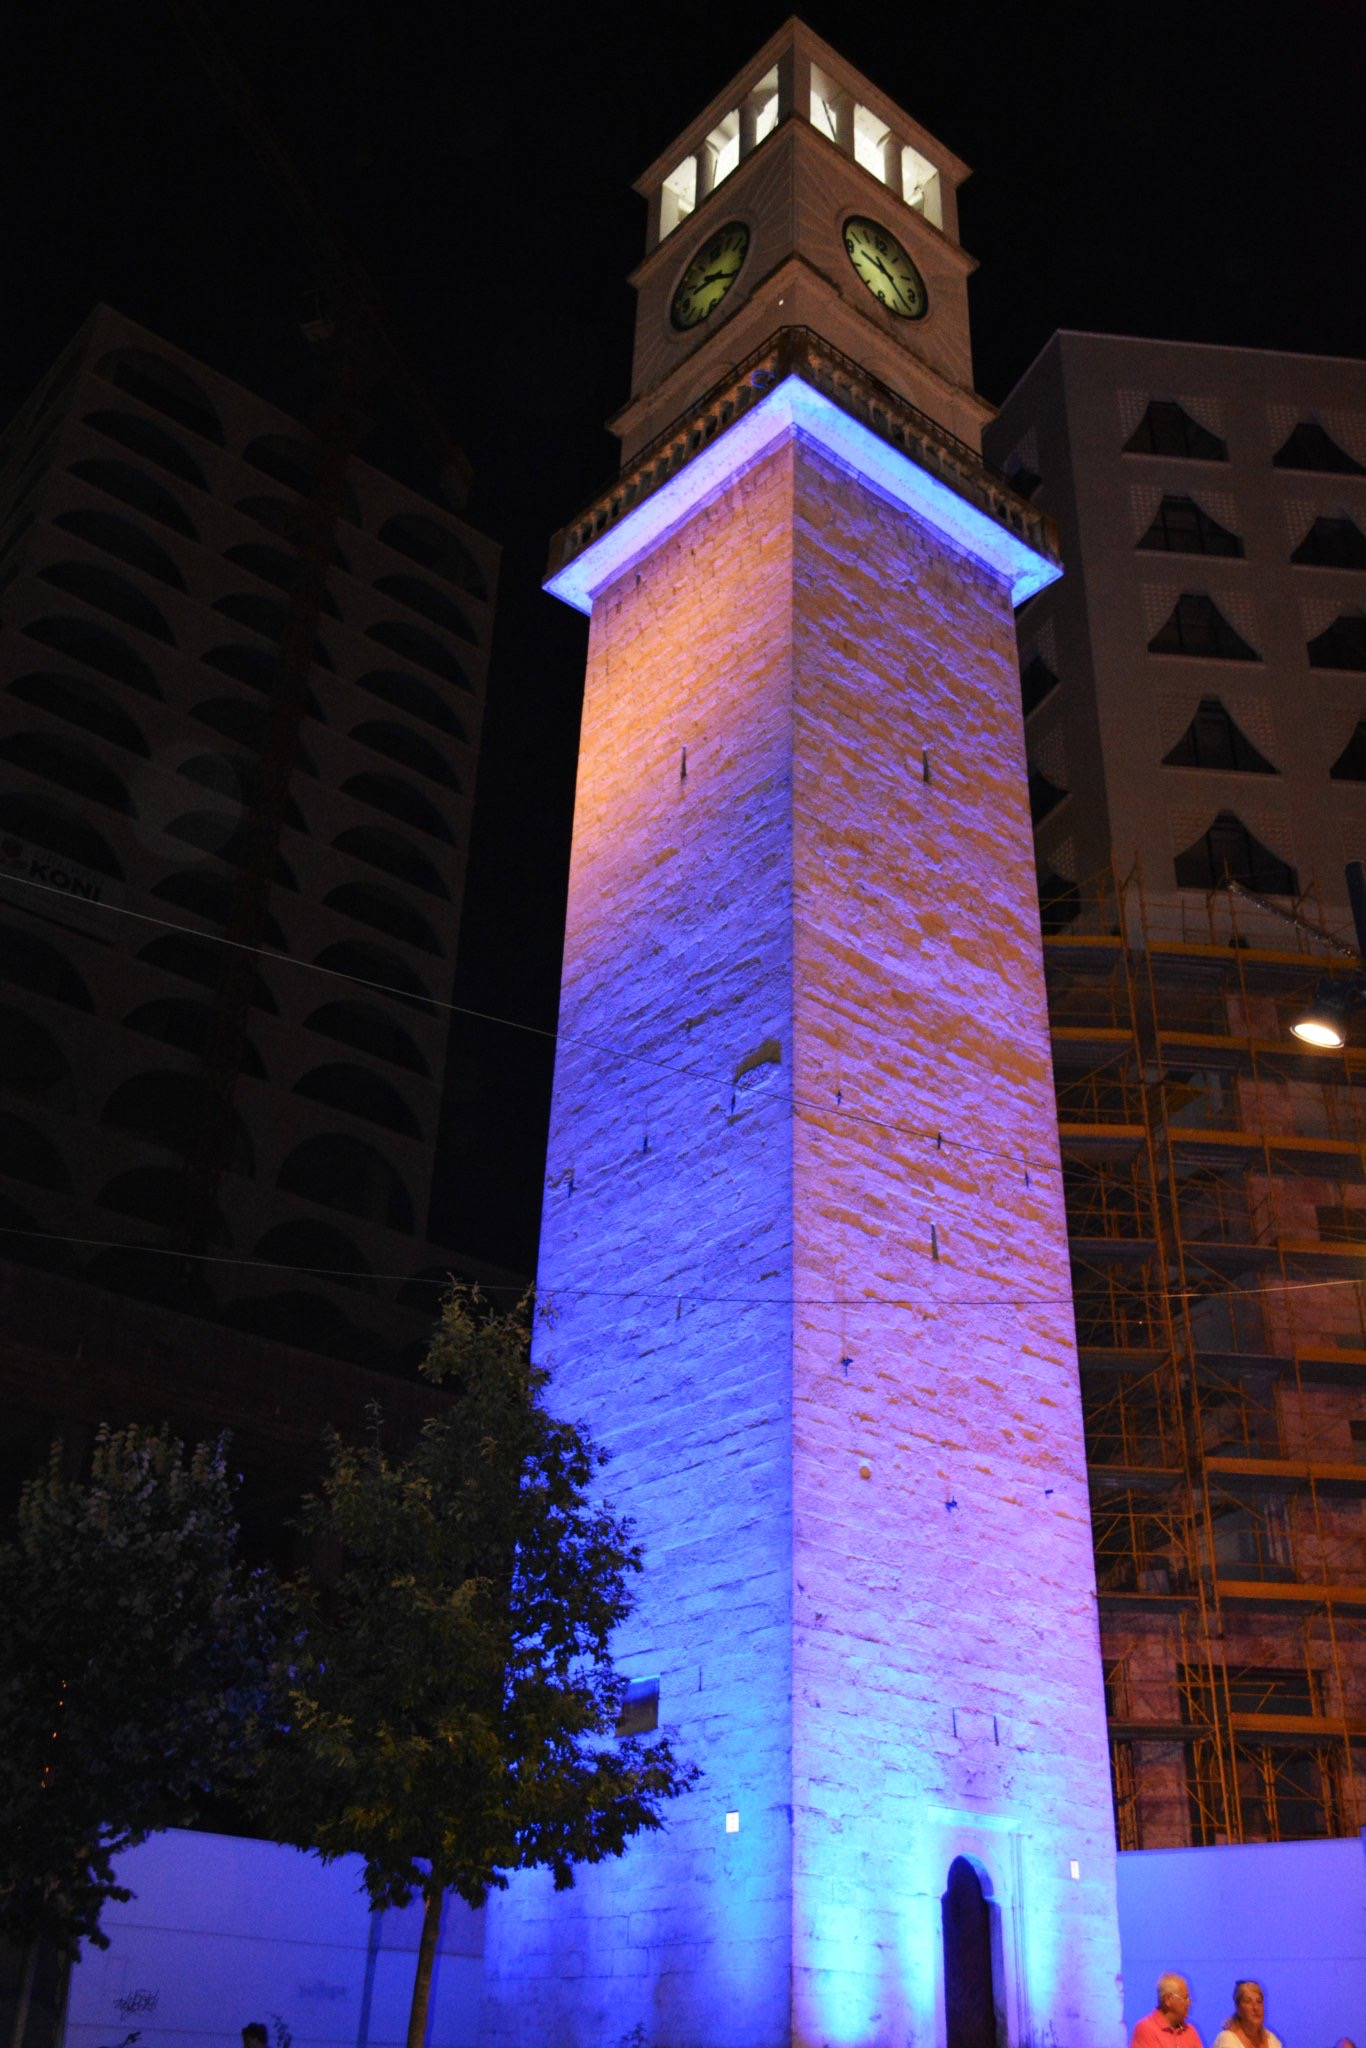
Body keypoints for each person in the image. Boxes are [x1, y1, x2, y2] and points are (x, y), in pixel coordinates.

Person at [1131, 1973, 1204, 2048]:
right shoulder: (1146, 2029)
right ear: (1168, 1999)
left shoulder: (1190, 2031)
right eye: (1185, 1998)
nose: (1189, 2002)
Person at [1210, 1981, 1281, 2048]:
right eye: (1248, 2001)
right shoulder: (1228, 2039)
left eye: (1259, 2001)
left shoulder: (1272, 2040)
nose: (1256, 2007)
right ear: (1238, 2007)